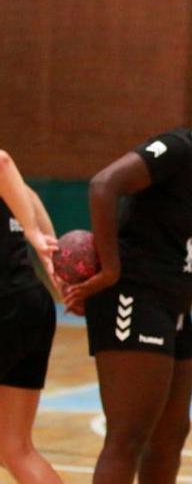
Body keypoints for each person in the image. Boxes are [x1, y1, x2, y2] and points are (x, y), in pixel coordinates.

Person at [60, 128, 192, 484]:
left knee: (170, 437)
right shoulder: (177, 150)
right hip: (133, 298)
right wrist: (110, 269)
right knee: (127, 437)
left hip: (174, 308)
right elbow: (103, 185)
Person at [0, 150, 62, 484]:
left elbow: (2, 162)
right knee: (14, 448)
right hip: (30, 301)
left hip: (5, 305)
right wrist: (52, 258)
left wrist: (35, 237)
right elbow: (28, 193)